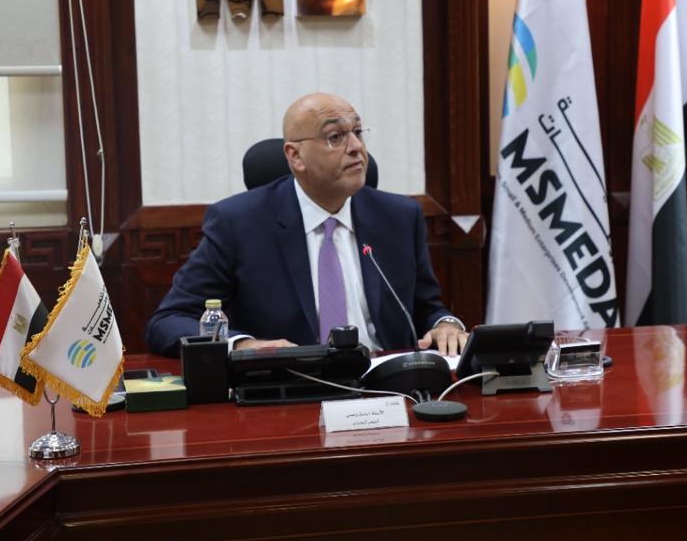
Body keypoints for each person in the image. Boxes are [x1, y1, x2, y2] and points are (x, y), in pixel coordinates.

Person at [144, 93, 468, 357]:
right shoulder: (239, 224)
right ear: (295, 156)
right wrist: (242, 345)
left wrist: (446, 325)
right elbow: (169, 320)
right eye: (335, 137)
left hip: (387, 386)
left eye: (357, 132)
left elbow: (427, 309)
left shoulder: (399, 217)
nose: (356, 147)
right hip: (289, 388)